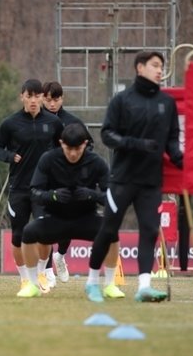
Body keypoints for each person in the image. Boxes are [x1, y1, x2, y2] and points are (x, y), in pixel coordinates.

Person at [85, 51, 183, 303]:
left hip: (151, 181)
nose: (160, 70)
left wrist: (181, 158)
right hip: (122, 179)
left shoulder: (167, 103)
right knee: (108, 229)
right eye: (154, 65)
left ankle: (144, 286)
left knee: (150, 230)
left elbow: (172, 139)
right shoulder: (122, 100)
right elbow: (107, 135)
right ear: (140, 68)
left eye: (162, 66)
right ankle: (92, 282)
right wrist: (135, 144)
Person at [17, 123, 123, 299]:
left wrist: (91, 194)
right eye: (68, 148)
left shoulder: (97, 163)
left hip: (86, 218)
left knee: (112, 231)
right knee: (28, 232)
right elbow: (34, 192)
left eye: (77, 148)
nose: (73, 153)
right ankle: (32, 284)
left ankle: (110, 285)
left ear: (85, 144)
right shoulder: (48, 159)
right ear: (61, 143)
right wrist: (53, 195)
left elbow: (111, 198)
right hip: (55, 219)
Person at [0, 79, 63, 292]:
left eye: (37, 96)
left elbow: (65, 147)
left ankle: (41, 273)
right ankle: (24, 279)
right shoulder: (10, 123)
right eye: (29, 96)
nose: (33, 101)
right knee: (18, 235)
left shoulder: (53, 123)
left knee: (44, 233)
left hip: (44, 189)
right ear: (21, 97)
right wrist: (9, 156)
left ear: (42, 97)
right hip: (19, 188)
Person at [42, 81, 97, 283]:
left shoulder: (72, 122)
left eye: (55, 99)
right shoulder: (36, 122)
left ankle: (60, 256)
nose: (51, 104)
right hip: (46, 180)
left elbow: (89, 145)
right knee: (44, 222)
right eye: (47, 100)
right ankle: (47, 271)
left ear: (62, 99)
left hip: (69, 180)